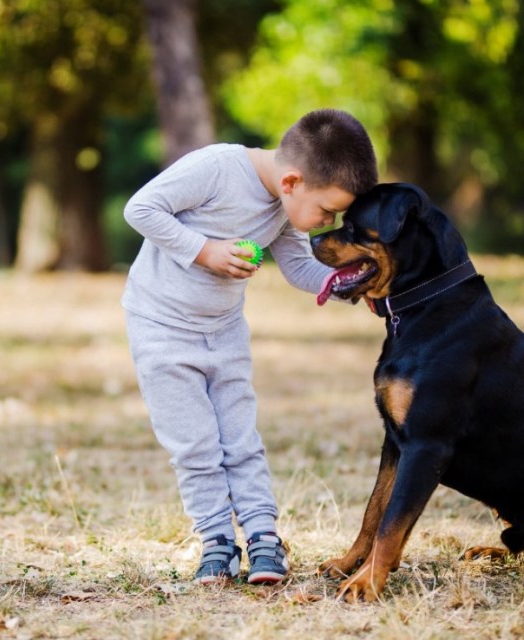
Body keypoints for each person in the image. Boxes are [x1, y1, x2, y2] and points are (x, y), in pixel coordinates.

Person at [122, 109, 378, 585]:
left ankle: (263, 537)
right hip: (160, 327)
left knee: (239, 438)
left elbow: (302, 270)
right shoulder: (215, 169)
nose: (327, 222)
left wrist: (356, 284)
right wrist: (205, 250)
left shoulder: (287, 208)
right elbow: (140, 209)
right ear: (292, 181)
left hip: (223, 331)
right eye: (327, 211)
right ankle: (217, 540)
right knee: (195, 445)